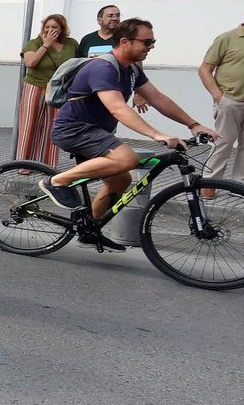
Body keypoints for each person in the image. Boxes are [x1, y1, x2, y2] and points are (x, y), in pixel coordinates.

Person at [40, 18, 216, 250]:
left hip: (96, 132)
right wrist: (156, 135)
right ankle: (56, 182)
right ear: (125, 41)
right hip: (74, 130)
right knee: (127, 159)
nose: (151, 46)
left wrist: (193, 124)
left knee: (121, 179)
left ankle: (88, 229)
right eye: (147, 41)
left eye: (153, 41)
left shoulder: (131, 70)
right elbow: (117, 108)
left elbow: (159, 99)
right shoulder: (102, 67)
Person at [198, 0, 244, 186]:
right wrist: (219, 97)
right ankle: (209, 184)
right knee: (222, 143)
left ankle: (241, 186)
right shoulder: (227, 38)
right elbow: (205, 69)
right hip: (231, 100)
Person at [16, 14, 79, 165]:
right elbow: (30, 62)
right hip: (35, 86)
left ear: (62, 29)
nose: (50, 30)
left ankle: (48, 164)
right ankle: (24, 163)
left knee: (54, 125)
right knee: (29, 124)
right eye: (47, 27)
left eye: (55, 27)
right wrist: (46, 44)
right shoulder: (34, 43)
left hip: (58, 89)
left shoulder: (71, 44)